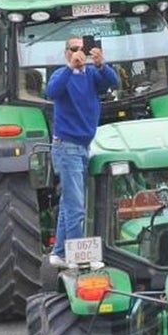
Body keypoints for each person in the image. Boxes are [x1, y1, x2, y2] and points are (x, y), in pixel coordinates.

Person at [45, 35, 119, 267]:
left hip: (82, 147)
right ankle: (81, 259)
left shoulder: (91, 75)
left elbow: (113, 82)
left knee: (70, 202)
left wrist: (100, 65)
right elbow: (52, 92)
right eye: (74, 49)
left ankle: (59, 253)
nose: (79, 52)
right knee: (76, 206)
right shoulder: (61, 75)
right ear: (67, 52)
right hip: (66, 147)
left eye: (82, 48)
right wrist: (70, 68)